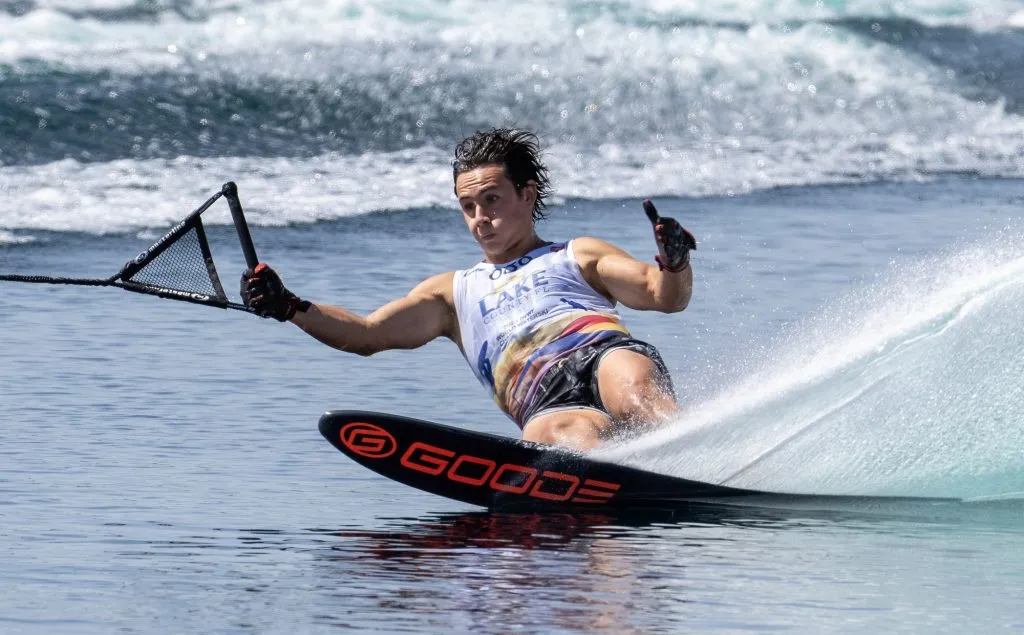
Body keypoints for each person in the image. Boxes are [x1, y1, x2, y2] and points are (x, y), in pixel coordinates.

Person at [241, 128, 696, 451]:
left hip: (601, 354)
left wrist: (674, 262)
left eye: (492, 200)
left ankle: (699, 461)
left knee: (634, 392)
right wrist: (290, 306)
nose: (480, 216)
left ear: (527, 194)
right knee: (568, 443)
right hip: (541, 399)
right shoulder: (451, 294)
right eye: (468, 206)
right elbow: (366, 334)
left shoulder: (577, 255)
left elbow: (664, 296)